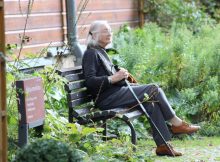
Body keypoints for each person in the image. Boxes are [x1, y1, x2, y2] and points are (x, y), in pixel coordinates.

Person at [82, 20, 200, 156]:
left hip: (114, 94)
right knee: (153, 89)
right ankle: (177, 124)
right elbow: (90, 82)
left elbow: (107, 78)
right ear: (94, 34)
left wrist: (120, 75)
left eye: (110, 30)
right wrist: (114, 77)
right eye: (105, 31)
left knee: (151, 102)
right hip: (107, 99)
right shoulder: (91, 53)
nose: (109, 33)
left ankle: (163, 146)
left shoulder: (100, 51)